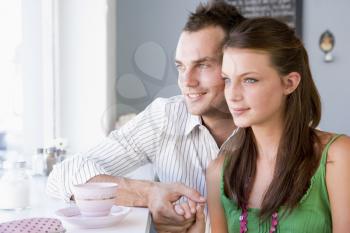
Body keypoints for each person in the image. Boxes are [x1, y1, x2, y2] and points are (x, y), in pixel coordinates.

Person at [46, 2, 245, 232]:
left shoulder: (268, 125)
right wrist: (148, 193)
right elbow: (65, 174)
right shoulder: (164, 118)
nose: (186, 81)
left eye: (202, 65)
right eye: (181, 67)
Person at [203, 17, 350, 233]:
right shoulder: (219, 173)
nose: (232, 95)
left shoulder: (338, 157)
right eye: (227, 79)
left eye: (249, 80)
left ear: (289, 83)